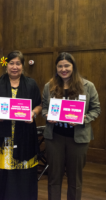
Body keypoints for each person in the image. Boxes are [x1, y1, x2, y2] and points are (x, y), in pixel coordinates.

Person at [42, 52, 100, 200]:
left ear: (73, 66)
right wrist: (47, 115)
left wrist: (84, 118)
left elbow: (96, 109)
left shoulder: (88, 86)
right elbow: (43, 108)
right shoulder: (49, 86)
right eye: (60, 66)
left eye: (67, 65)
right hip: (54, 137)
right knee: (54, 177)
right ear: (56, 68)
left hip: (78, 139)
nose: (63, 69)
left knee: (75, 179)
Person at [0, 50, 42, 200]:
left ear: (23, 66)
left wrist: (33, 113)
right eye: (11, 63)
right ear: (6, 65)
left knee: (22, 167)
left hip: (25, 134)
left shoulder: (31, 83)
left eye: (18, 63)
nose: (15, 67)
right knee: (2, 169)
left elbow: (39, 105)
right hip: (1, 136)